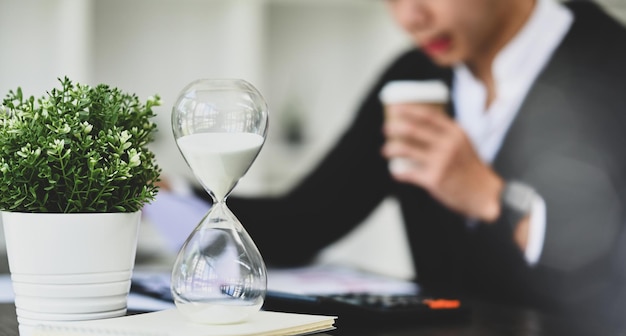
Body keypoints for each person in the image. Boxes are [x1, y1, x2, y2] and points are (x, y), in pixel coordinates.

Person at [160, 0, 626, 317]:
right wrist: (163, 191)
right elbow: (303, 223)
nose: (411, 17)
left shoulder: (611, 62)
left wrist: (494, 200)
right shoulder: (412, 78)